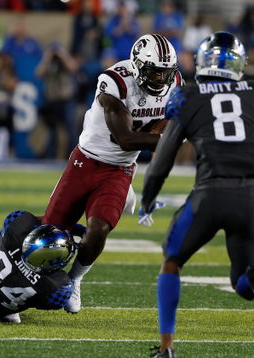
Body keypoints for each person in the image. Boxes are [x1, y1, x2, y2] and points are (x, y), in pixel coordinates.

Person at [138, 32, 254, 358]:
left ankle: (167, 348)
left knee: (172, 262)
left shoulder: (188, 95)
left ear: (203, 61)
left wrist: (148, 198)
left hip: (208, 196)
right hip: (251, 200)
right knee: (241, 280)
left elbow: (163, 158)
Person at [41, 34, 184, 314]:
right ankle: (14, 272)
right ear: (137, 65)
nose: (159, 77)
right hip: (86, 162)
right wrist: (177, 139)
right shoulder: (115, 82)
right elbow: (125, 139)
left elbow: (167, 126)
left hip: (120, 170)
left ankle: (74, 280)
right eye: (153, 70)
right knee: (50, 237)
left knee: (98, 230)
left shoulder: (176, 84)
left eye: (165, 72)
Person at [35, 42, 78, 159]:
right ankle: (50, 158)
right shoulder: (49, 63)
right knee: (51, 131)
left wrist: (63, 55)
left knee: (71, 130)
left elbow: (73, 67)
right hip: (52, 100)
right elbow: (38, 73)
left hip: (66, 99)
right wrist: (47, 58)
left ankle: (74, 158)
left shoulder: (64, 61)